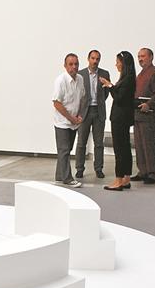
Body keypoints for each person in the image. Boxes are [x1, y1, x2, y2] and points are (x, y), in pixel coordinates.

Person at [99, 51, 136, 191]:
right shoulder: (128, 78)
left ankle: (118, 180)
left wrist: (109, 85)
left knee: (120, 149)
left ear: (124, 63)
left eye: (118, 62)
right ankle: (126, 178)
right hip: (123, 118)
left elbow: (119, 98)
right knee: (125, 147)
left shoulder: (128, 79)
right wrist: (112, 86)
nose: (116, 65)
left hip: (120, 118)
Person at [131, 48, 155, 184]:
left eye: (143, 56)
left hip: (149, 116)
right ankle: (143, 171)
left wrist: (149, 104)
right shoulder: (140, 75)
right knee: (139, 145)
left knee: (149, 144)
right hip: (138, 116)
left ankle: (153, 173)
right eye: (139, 56)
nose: (140, 59)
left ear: (151, 57)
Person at [74, 50, 110, 179]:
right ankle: (79, 169)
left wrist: (99, 102)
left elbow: (106, 93)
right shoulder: (80, 74)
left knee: (99, 143)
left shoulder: (105, 73)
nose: (95, 61)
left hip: (99, 111)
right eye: (93, 58)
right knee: (81, 142)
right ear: (88, 59)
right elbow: (77, 93)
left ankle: (98, 168)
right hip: (84, 111)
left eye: (97, 59)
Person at [52, 53, 84, 188]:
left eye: (76, 64)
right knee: (64, 150)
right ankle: (67, 178)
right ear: (65, 66)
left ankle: (59, 175)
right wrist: (71, 118)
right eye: (70, 64)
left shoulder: (80, 79)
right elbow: (57, 103)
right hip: (62, 122)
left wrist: (79, 115)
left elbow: (81, 98)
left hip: (74, 122)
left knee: (66, 150)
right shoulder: (60, 81)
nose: (74, 67)